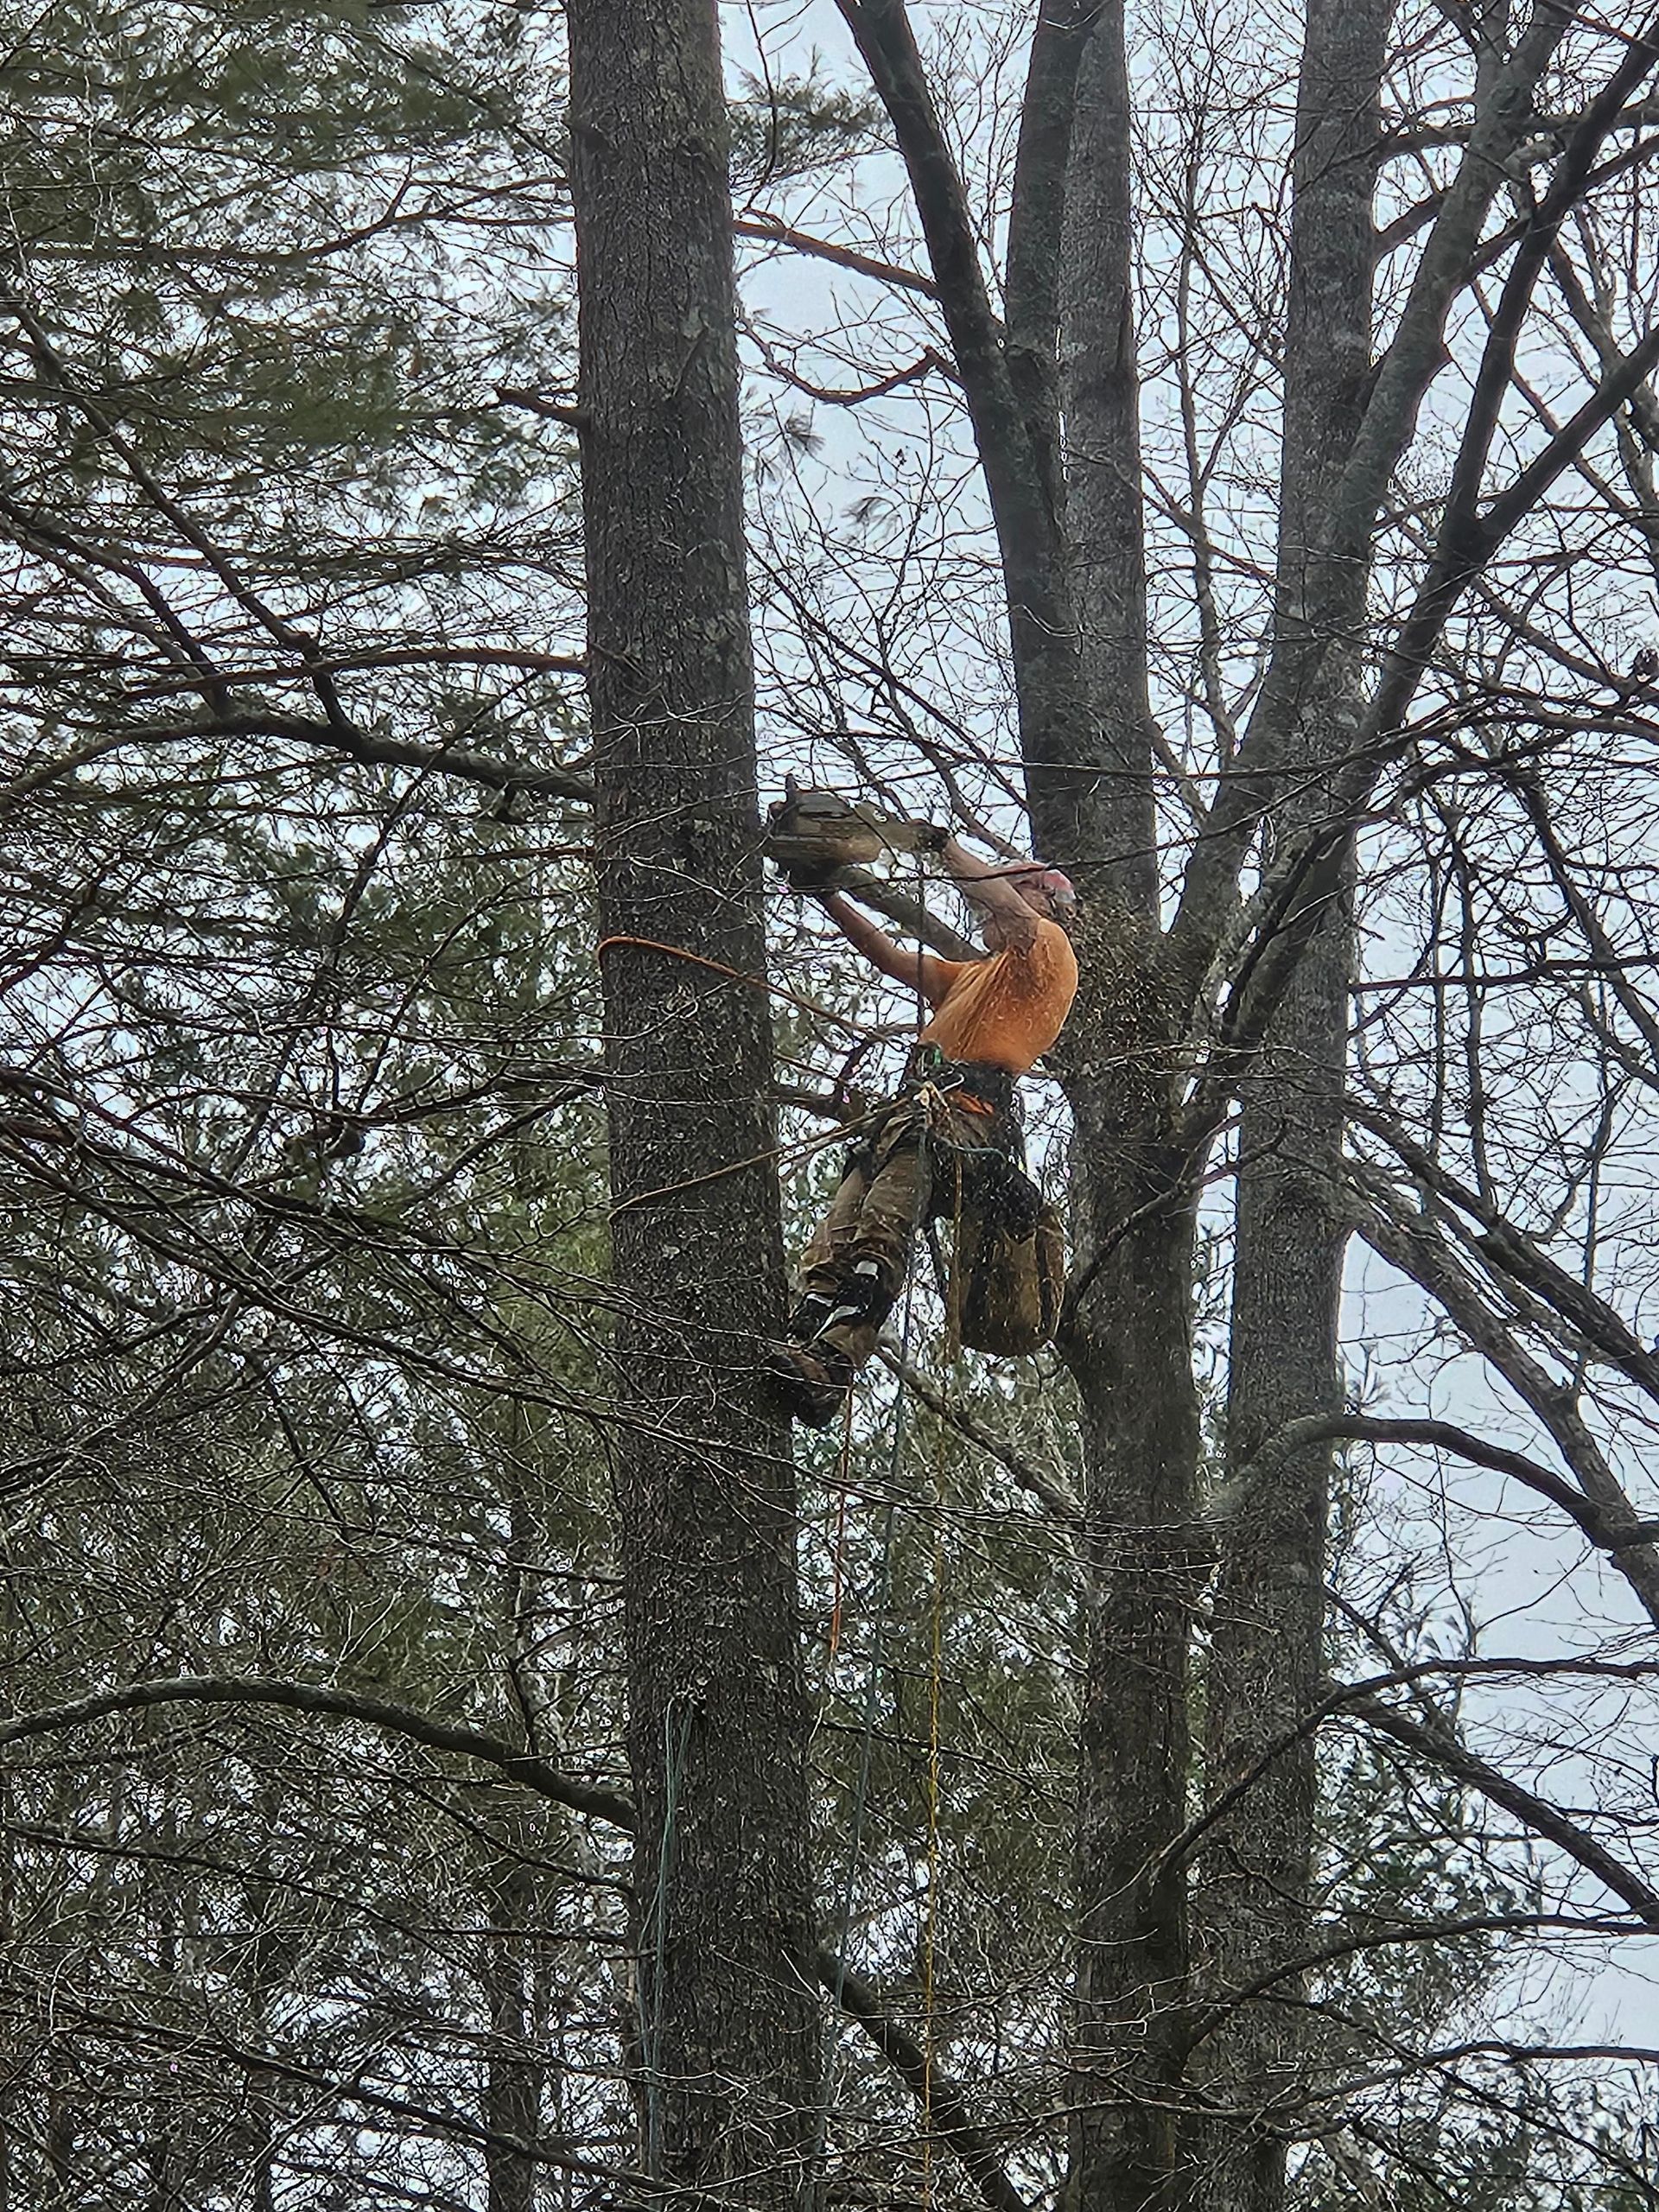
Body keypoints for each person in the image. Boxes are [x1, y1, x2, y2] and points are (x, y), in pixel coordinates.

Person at [766, 834, 1077, 1426]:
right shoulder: (975, 977)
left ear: (1042, 895)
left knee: (879, 1233)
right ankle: (800, 1336)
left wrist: (941, 848)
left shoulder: (1047, 951)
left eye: (1000, 895)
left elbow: (1009, 910)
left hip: (960, 1122)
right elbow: (888, 955)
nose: (984, 911)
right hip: (908, 1118)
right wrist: (825, 892)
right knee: (832, 1241)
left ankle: (833, 1366)